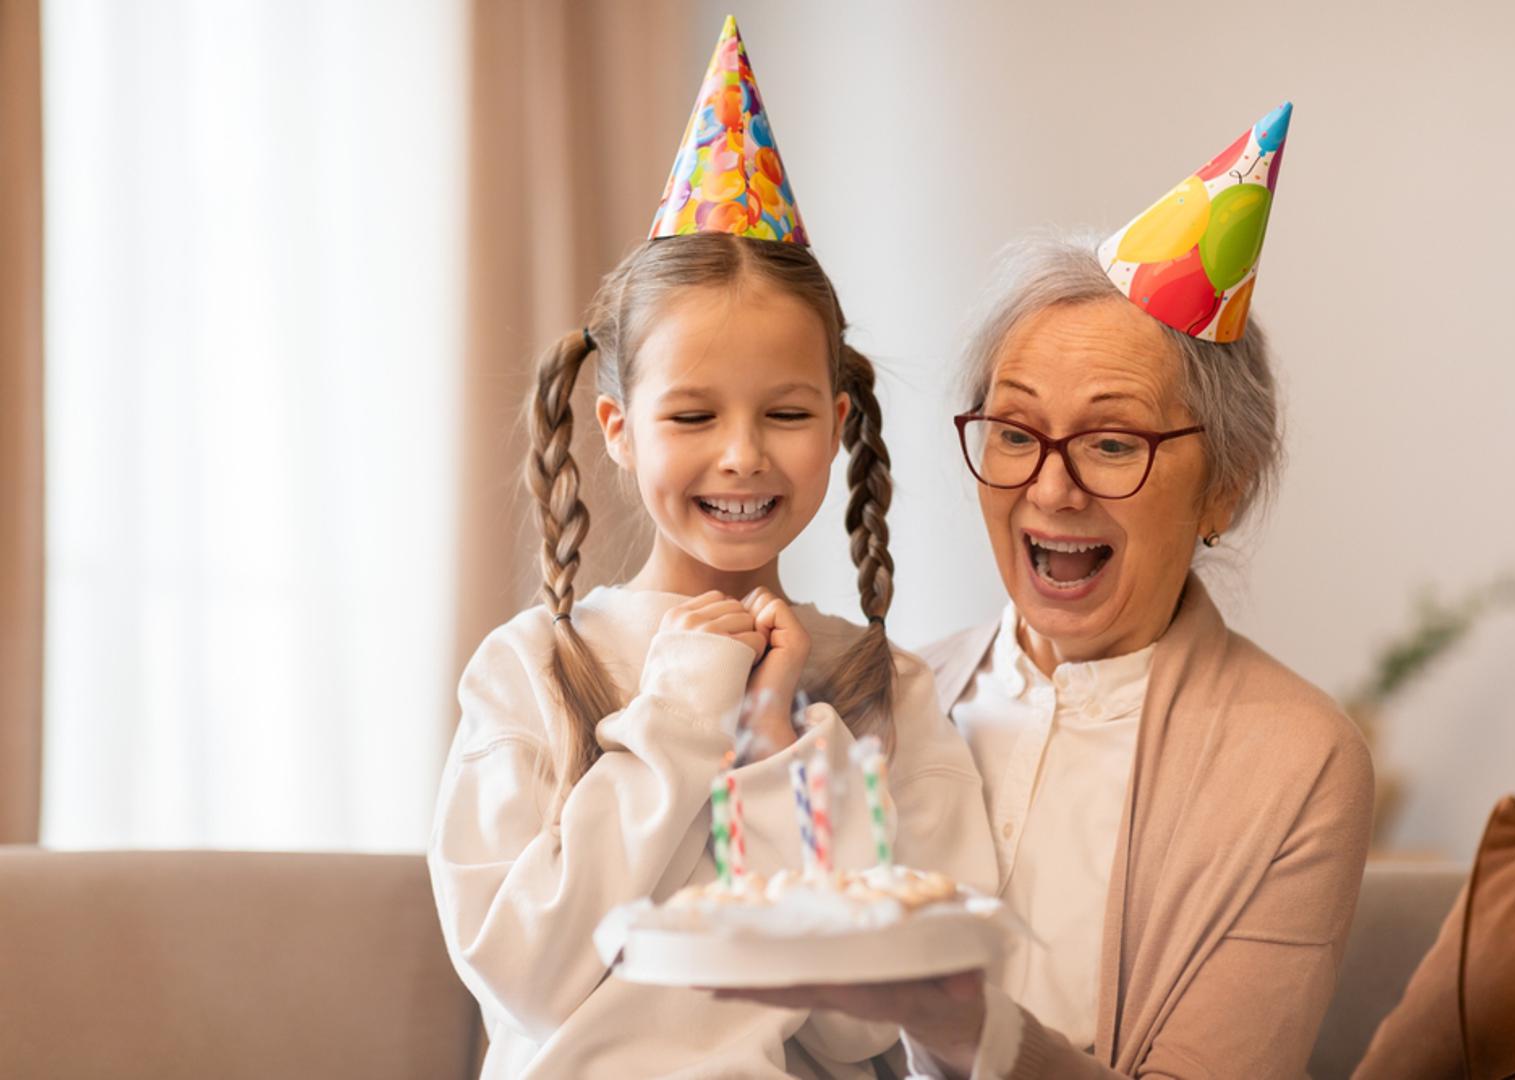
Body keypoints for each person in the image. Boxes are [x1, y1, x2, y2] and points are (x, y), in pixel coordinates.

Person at [717, 104, 1375, 1079]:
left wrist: (959, 1024)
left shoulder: (1296, 759)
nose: (1050, 488)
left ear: (1223, 486)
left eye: (1113, 443)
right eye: (1015, 434)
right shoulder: (875, 691)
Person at [427, 18, 995, 1079]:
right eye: (691, 416)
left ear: (835, 427)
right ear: (618, 429)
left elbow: (867, 1026)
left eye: (783, 415)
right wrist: (690, 712)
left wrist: (773, 734)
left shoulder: (887, 690)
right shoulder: (533, 672)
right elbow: (526, 974)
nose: (740, 458)